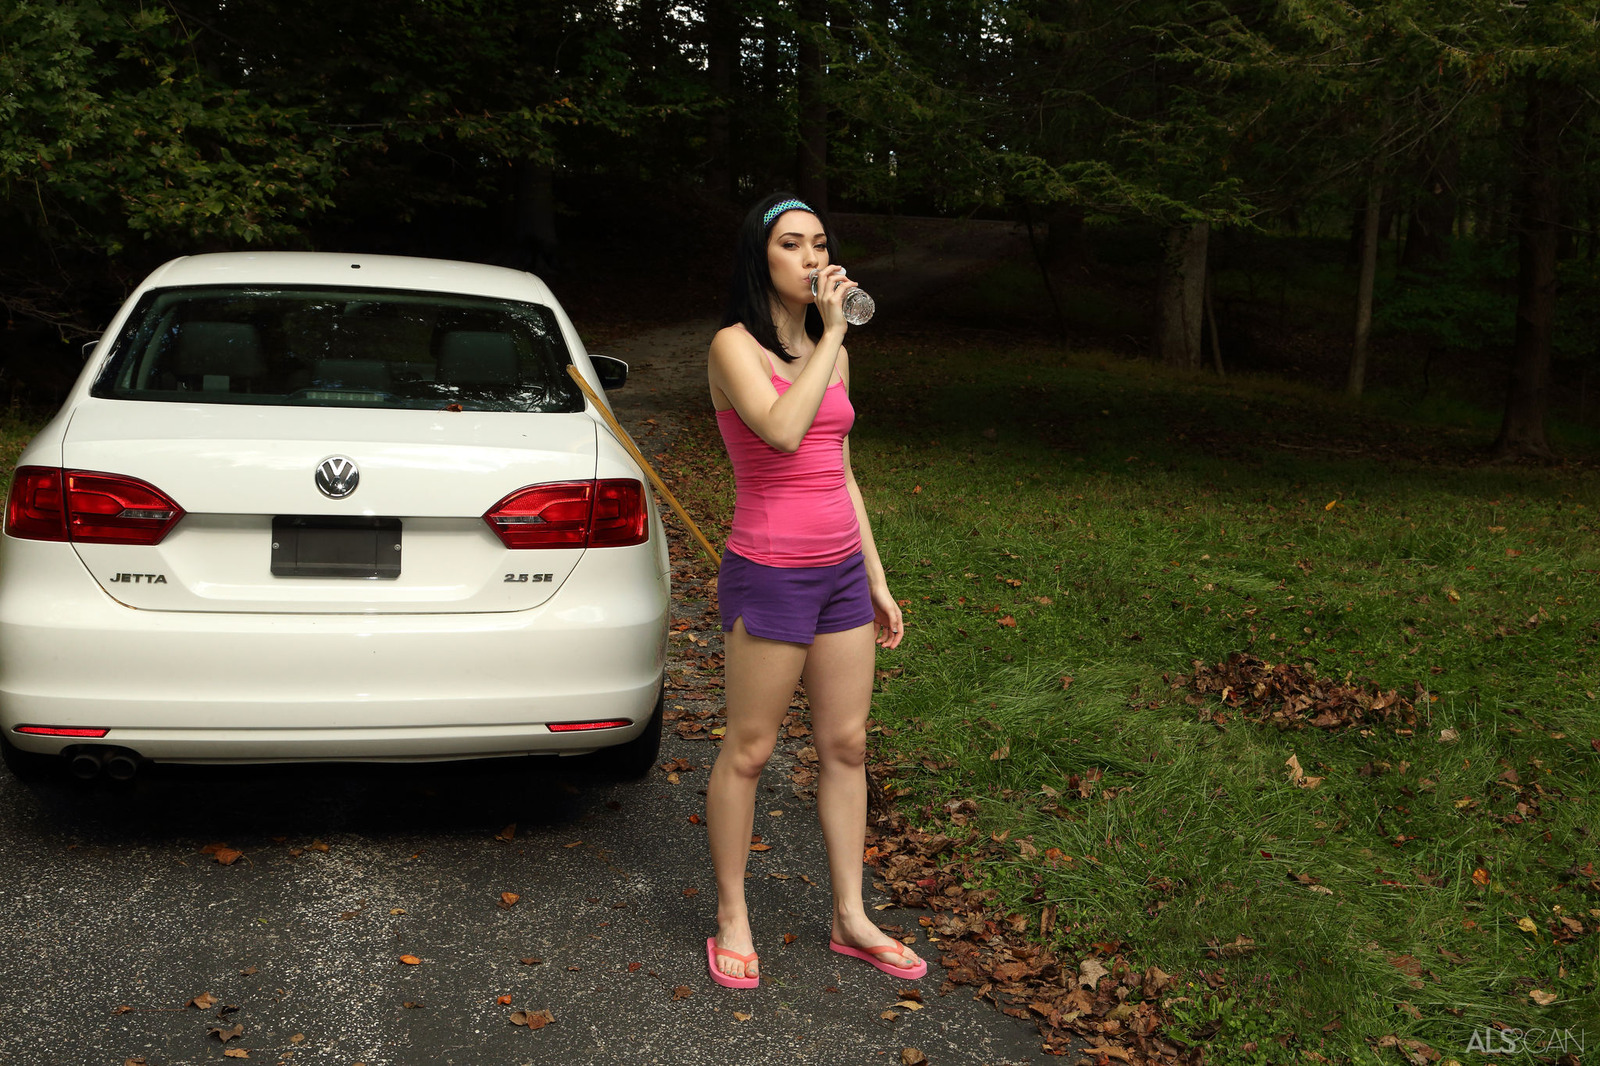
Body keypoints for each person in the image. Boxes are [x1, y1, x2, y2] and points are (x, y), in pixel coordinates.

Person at [702, 193, 925, 988]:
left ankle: (849, 916)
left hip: (838, 577)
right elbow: (783, 430)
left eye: (819, 244)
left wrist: (876, 578)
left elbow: (839, 469)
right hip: (771, 570)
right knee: (751, 749)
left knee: (847, 746)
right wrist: (832, 335)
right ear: (759, 257)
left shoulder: (832, 350)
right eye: (791, 244)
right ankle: (733, 914)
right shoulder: (733, 347)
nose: (810, 258)